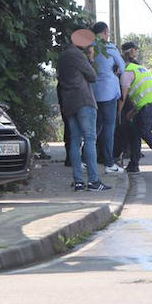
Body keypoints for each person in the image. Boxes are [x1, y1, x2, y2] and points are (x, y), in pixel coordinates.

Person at [57, 28, 110, 192]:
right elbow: (92, 76)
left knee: (74, 140)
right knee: (89, 138)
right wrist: (91, 58)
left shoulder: (62, 57)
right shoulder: (77, 55)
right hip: (83, 100)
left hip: (68, 102)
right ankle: (93, 181)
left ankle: (78, 182)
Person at [119, 41, 152, 174]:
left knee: (144, 131)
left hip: (148, 104)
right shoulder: (139, 68)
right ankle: (133, 165)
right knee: (136, 132)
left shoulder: (126, 73)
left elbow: (123, 97)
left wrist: (118, 113)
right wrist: (133, 111)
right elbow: (140, 93)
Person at [89, 21, 125, 175]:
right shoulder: (110, 48)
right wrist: (115, 70)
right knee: (109, 128)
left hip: (93, 92)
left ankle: (85, 159)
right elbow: (122, 67)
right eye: (108, 32)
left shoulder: (89, 48)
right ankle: (109, 163)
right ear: (104, 32)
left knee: (95, 127)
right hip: (109, 91)